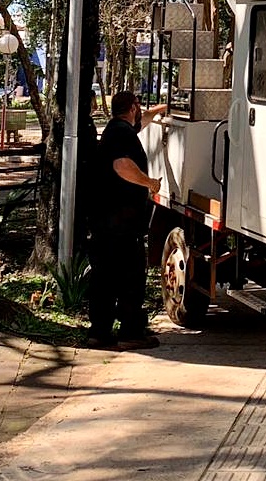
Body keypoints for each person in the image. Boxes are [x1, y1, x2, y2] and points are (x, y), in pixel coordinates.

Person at [88, 90, 168, 350]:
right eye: (138, 107)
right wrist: (150, 183)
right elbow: (122, 165)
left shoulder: (117, 129)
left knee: (104, 279)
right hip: (120, 225)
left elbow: (140, 122)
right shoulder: (122, 134)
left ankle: (100, 332)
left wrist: (159, 110)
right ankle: (131, 333)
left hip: (106, 223)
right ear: (132, 107)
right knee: (130, 279)